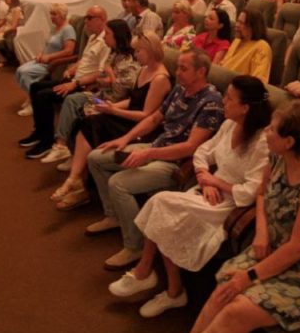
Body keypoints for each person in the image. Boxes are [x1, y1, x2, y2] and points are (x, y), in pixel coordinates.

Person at [118, 101, 300, 333]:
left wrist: (250, 276)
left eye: (272, 129)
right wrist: (262, 233)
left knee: (236, 310)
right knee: (223, 293)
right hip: (273, 248)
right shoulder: (279, 157)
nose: (265, 131)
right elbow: (263, 194)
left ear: (289, 141)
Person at [110, 76, 272, 318]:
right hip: (209, 192)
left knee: (161, 204)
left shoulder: (262, 143)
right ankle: (167, 287)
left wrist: (215, 182)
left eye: (229, 98)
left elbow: (251, 191)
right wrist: (204, 175)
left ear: (245, 108)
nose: (223, 101)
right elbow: (202, 152)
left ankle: (149, 275)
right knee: (163, 211)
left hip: (228, 207)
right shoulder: (229, 126)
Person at [87, 48, 224, 269]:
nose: (177, 72)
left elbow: (191, 147)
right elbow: (154, 119)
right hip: (155, 146)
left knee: (119, 184)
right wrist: (126, 138)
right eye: (177, 66)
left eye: (183, 68)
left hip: (173, 163)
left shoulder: (212, 101)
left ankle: (135, 246)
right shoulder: (180, 89)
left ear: (201, 72)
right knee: (96, 158)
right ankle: (113, 215)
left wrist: (147, 153)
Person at [50, 32, 172, 210]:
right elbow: (133, 101)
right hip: (130, 117)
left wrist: (113, 111)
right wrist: (111, 106)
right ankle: (78, 179)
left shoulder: (160, 78)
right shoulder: (145, 70)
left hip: (142, 126)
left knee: (91, 125)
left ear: (151, 51)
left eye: (139, 51)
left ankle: (77, 181)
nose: (136, 55)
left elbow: (147, 115)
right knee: (84, 122)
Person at [18, 7, 114, 158]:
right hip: (75, 79)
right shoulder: (92, 37)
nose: (86, 21)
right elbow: (83, 59)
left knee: (44, 96)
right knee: (36, 86)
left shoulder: (106, 41)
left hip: (83, 85)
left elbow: (100, 73)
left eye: (90, 18)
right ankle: (39, 131)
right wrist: (72, 69)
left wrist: (75, 83)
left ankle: (46, 141)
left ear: (102, 19)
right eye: (85, 17)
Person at [15, 3, 76, 117]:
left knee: (25, 73)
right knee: (19, 71)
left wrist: (49, 57)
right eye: (50, 14)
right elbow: (48, 46)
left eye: (54, 14)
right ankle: (30, 97)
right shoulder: (54, 28)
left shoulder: (68, 29)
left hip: (53, 63)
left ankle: (34, 103)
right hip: (44, 60)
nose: (51, 17)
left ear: (62, 15)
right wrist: (41, 54)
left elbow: (69, 51)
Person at [221, 8, 272, 83]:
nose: (237, 25)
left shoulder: (262, 47)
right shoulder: (237, 40)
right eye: (237, 21)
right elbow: (224, 64)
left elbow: (257, 81)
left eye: (241, 23)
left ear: (252, 27)